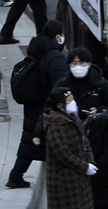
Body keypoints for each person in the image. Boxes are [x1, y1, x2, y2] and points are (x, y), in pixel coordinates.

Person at [7, 20, 68, 188]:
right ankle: (59, 181)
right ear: (57, 36)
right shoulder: (55, 56)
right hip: (46, 105)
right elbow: (60, 85)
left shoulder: (38, 48)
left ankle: (15, 176)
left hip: (33, 102)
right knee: (55, 143)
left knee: (29, 140)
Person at [43, 87, 96, 209]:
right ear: (60, 105)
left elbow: (85, 142)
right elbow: (62, 154)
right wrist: (84, 167)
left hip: (78, 177)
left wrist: (90, 161)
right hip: (64, 182)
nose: (73, 102)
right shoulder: (56, 126)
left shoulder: (73, 119)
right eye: (69, 100)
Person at [54, 47, 108, 118]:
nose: (78, 67)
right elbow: (51, 106)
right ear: (69, 65)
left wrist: (99, 110)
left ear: (89, 64)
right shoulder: (62, 84)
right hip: (69, 126)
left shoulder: (101, 84)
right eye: (74, 63)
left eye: (82, 63)